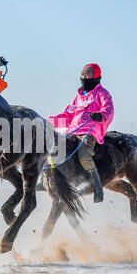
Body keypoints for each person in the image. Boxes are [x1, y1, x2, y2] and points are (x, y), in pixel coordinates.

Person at [47, 63, 114, 203]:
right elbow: (67, 116)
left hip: (89, 132)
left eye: (88, 75)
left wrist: (100, 115)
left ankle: (98, 188)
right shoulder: (78, 96)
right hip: (71, 131)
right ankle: (48, 180)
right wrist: (48, 121)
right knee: (53, 149)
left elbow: (109, 110)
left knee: (84, 156)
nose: (84, 77)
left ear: (96, 77)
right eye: (83, 75)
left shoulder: (102, 94)